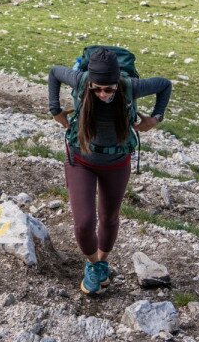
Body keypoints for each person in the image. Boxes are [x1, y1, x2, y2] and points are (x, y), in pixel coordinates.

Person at [47, 47, 172, 296]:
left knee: (109, 217)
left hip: (116, 161)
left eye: (109, 89)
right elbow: (54, 73)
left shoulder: (130, 86)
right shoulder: (82, 81)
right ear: (90, 81)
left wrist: (156, 118)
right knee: (84, 223)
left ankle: (101, 263)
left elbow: (165, 85)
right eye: (98, 88)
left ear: (117, 83)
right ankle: (92, 264)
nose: (103, 94)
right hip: (81, 158)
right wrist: (55, 110)